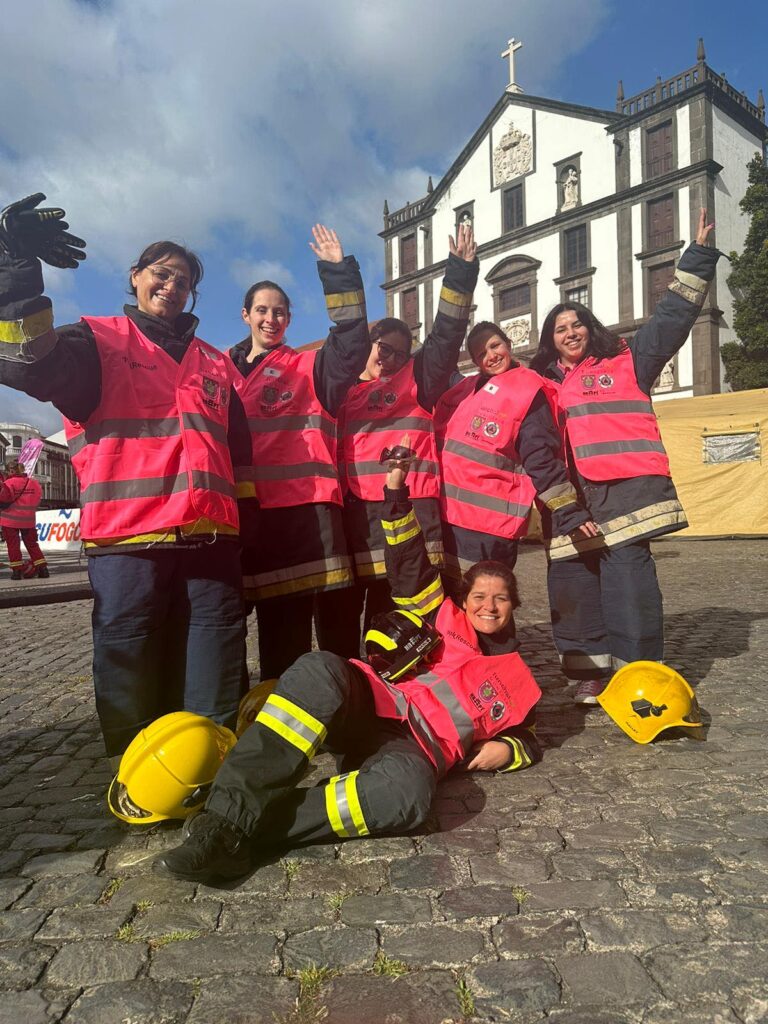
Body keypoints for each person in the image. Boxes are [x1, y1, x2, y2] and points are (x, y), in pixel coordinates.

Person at [156, 449, 542, 884]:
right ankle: (224, 816)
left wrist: (508, 750)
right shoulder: (441, 613)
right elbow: (408, 560)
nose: (489, 607)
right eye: (480, 597)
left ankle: (238, 832)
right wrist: (395, 490)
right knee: (318, 668)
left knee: (406, 797)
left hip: (414, 747)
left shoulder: (520, 680)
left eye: (501, 599)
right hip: (368, 698)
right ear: (465, 600)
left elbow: (530, 736)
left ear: (514, 605)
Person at [0, 193, 252, 766]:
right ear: (135, 277)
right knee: (128, 661)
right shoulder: (97, 341)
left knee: (214, 656)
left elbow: (240, 456)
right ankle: (136, 770)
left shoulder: (216, 363)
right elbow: (25, 359)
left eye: (184, 280)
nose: (172, 286)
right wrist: (13, 264)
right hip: (128, 543)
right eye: (161, 274)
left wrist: (249, 530)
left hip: (212, 545)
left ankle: (206, 764)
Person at [529, 208, 717, 704]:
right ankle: (591, 673)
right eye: (560, 329)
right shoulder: (542, 386)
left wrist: (695, 258)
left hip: (627, 493)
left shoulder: (629, 360)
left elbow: (672, 321)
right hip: (572, 499)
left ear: (589, 328)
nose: (570, 333)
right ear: (550, 341)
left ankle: (638, 674)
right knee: (573, 587)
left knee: (629, 584)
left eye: (577, 324)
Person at [228, 225, 370, 680]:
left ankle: (342, 707)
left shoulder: (310, 366)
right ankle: (275, 718)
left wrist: (337, 272)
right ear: (246, 314)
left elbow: (351, 345)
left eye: (281, 312)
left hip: (306, 517)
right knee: (273, 629)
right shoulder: (218, 370)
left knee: (329, 630)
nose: (272, 319)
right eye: (263, 310)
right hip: (248, 518)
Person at [329, 224, 479, 653]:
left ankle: (395, 694)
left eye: (394, 350)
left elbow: (446, 337)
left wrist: (461, 273)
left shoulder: (419, 379)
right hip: (354, 517)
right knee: (341, 615)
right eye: (377, 345)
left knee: (396, 612)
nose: (383, 355)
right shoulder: (340, 389)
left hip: (409, 513)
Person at [434, 320, 595, 603]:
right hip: (450, 519)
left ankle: (499, 650)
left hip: (489, 527)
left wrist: (568, 509)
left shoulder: (527, 389)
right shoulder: (466, 389)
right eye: (481, 353)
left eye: (495, 346)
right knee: (455, 603)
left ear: (508, 344)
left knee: (487, 604)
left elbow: (540, 455)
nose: (491, 356)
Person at [0, 459, 48, 579]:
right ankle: (43, 569)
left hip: (10, 520)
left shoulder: (9, 483)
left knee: (13, 545)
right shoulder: (34, 483)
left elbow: (4, 499)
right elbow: (38, 499)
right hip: (28, 519)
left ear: (11, 470)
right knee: (32, 544)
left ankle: (17, 572)